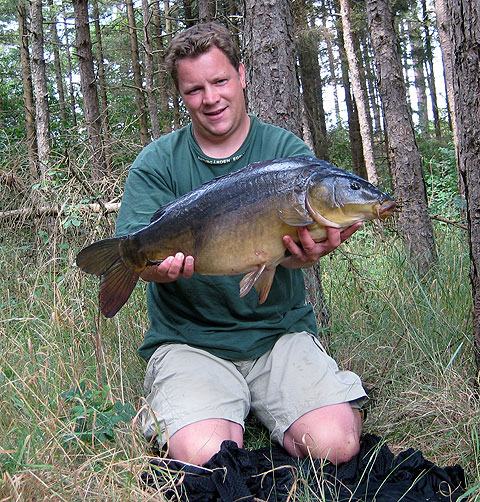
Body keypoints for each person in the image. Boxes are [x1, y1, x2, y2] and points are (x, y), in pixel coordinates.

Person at [115, 21, 367, 467]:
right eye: (194, 90)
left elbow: (289, 258)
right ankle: (201, 407)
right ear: (181, 94)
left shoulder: (286, 153)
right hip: (190, 340)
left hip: (278, 335)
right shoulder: (156, 163)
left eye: (219, 81)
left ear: (242, 75)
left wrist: (306, 256)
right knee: (205, 456)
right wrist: (152, 267)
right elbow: (136, 247)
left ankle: (276, 406)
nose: (210, 98)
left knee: (336, 444)